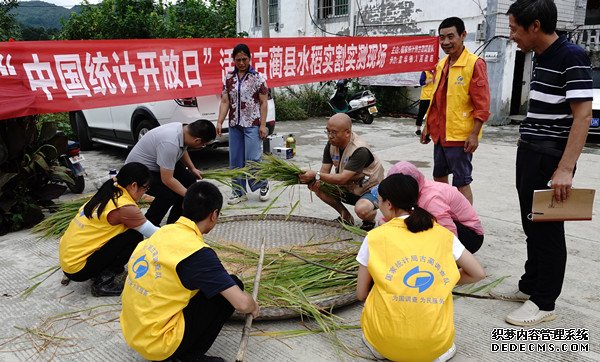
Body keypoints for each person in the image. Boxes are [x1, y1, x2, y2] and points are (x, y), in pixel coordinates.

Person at [490, 0, 593, 327]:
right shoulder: (541, 56)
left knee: (547, 230)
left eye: (514, 28)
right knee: (531, 224)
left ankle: (544, 302)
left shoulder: (571, 56)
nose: (512, 35)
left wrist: (564, 168)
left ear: (535, 26)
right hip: (530, 151)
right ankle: (530, 286)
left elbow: (583, 115)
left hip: (551, 158)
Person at [120, 181, 259, 362]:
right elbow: (241, 304)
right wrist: (253, 305)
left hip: (134, 332)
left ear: (184, 205)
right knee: (232, 286)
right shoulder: (197, 253)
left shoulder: (163, 232)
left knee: (212, 286)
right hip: (159, 346)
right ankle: (187, 356)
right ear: (214, 215)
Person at [356, 174, 485, 361]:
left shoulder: (375, 237)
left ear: (389, 204)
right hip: (435, 350)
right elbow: (478, 273)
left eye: (380, 201)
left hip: (386, 347)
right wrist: (442, 281)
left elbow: (361, 294)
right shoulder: (443, 234)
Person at [59, 162, 158, 297]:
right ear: (134, 185)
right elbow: (155, 234)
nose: (144, 193)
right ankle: (103, 282)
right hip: (78, 269)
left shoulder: (108, 193)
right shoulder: (125, 207)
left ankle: (98, 270)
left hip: (68, 261)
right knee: (134, 236)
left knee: (127, 232)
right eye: (145, 188)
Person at [420, 17, 491, 205]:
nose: (445, 42)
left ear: (463, 35)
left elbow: (482, 104)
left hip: (460, 136)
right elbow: (435, 99)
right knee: (439, 179)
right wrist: (427, 126)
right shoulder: (442, 64)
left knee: (462, 183)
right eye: (442, 37)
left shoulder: (475, 64)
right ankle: (445, 216)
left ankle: (467, 225)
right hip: (440, 134)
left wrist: (474, 134)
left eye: (451, 37)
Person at [298, 113, 384, 230]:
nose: (330, 136)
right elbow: (324, 172)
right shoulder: (331, 145)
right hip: (350, 187)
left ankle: (369, 219)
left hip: (369, 189)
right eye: (327, 132)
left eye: (333, 132)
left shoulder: (360, 150)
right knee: (319, 187)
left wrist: (316, 175)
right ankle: (346, 216)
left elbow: (343, 178)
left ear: (347, 132)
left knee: (362, 210)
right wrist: (313, 180)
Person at [125, 119, 216, 226]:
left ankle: (175, 224)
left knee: (190, 180)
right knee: (167, 194)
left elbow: (183, 149)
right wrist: (190, 196)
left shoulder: (183, 130)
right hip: (137, 171)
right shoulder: (170, 143)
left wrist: (192, 168)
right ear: (197, 140)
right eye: (203, 144)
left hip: (158, 163)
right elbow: (167, 180)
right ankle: (150, 223)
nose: (202, 146)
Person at [387, 161, 484, 254]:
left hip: (470, 236)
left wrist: (442, 259)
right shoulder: (417, 189)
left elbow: (448, 232)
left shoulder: (432, 199)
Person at [216, 43, 270, 205]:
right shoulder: (229, 78)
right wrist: (219, 122)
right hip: (235, 124)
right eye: (238, 59)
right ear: (233, 60)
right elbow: (225, 101)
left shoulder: (257, 78)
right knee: (236, 159)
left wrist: (262, 125)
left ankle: (263, 184)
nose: (241, 63)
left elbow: (263, 103)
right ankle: (239, 192)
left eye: (244, 59)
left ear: (250, 59)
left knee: (252, 158)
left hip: (252, 123)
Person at [415, 69, 435, 136]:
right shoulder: (425, 72)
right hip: (425, 97)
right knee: (421, 113)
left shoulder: (438, 71)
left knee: (432, 114)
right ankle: (418, 129)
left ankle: (430, 129)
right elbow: (422, 83)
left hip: (434, 96)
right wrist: (431, 79)